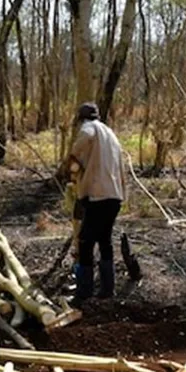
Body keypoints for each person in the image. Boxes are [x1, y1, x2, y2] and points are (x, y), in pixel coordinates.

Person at [64, 102, 126, 300]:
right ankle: (107, 291)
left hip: (96, 195)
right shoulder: (111, 134)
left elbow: (78, 152)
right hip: (114, 196)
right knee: (105, 241)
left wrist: (73, 166)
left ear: (81, 118)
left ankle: (84, 292)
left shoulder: (88, 129)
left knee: (85, 242)